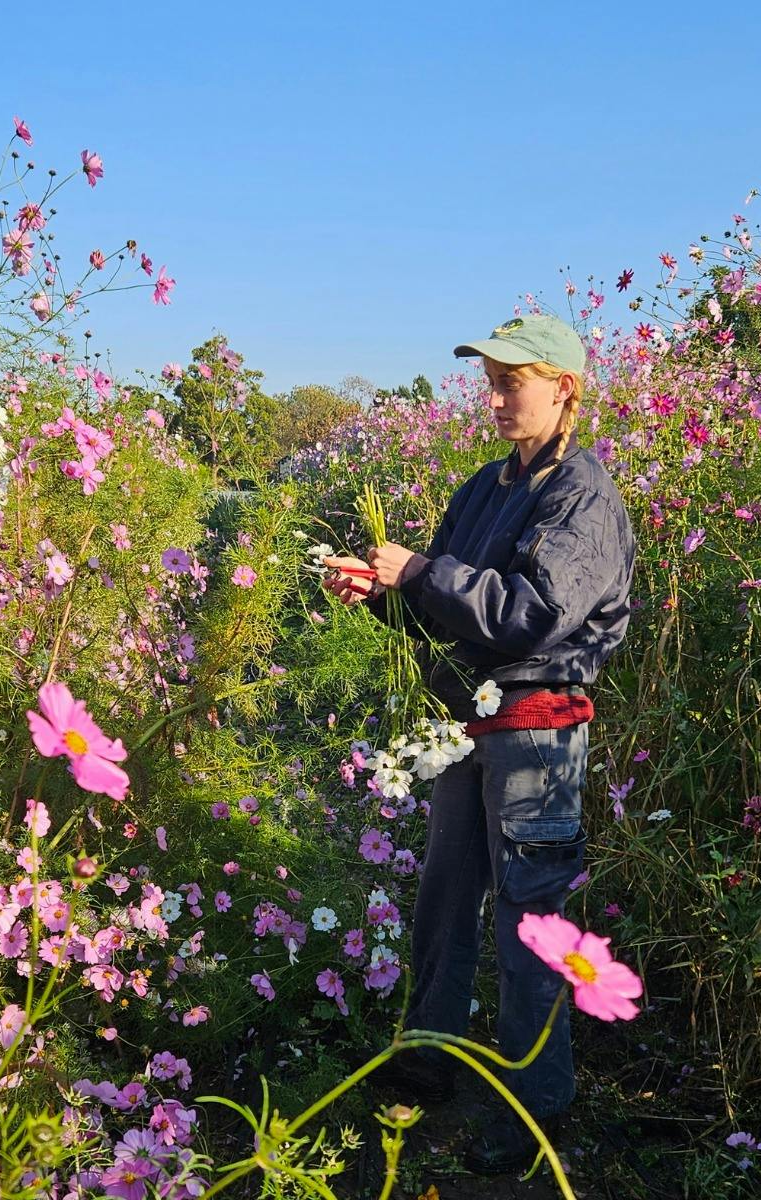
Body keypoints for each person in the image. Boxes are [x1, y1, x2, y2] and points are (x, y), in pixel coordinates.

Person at [321, 313, 636, 1175]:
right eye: (489, 381)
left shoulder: (582, 496)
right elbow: (445, 611)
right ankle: (429, 1056)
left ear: (564, 387)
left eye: (511, 381)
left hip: (535, 733)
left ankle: (532, 1111)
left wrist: (420, 570)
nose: (494, 397)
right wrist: (384, 591)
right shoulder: (485, 489)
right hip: (465, 725)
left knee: (532, 924)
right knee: (445, 895)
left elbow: (533, 612)